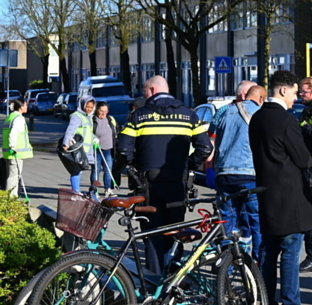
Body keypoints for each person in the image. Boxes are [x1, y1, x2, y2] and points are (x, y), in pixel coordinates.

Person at [117, 76, 212, 273]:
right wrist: (186, 167)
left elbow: (123, 149)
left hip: (148, 186)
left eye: (144, 91)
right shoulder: (189, 115)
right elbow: (205, 148)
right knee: (176, 231)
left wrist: (136, 165)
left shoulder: (139, 116)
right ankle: (174, 280)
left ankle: (153, 282)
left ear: (151, 90)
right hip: (178, 182)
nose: (143, 95)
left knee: (152, 233)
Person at [249, 70, 312, 305]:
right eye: (295, 93)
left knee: (267, 250)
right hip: (290, 197)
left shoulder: (257, 118)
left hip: (266, 192)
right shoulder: (286, 121)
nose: (296, 99)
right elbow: (302, 159)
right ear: (283, 90)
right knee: (290, 251)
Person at [214, 85, 266, 261]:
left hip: (224, 173)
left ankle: (226, 267)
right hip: (249, 173)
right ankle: (258, 265)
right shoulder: (259, 113)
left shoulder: (225, 112)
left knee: (226, 221)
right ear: (260, 98)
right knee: (256, 221)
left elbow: (215, 139)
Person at [297, 77, 312, 272]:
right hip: (309, 164)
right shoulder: (307, 109)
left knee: (311, 212)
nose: (301, 95)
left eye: (305, 92)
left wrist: (302, 128)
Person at [62, 96, 97, 197]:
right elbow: (71, 130)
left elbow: (88, 132)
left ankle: (76, 192)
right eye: (87, 106)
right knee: (76, 170)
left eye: (91, 107)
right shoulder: (77, 116)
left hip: (86, 149)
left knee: (79, 171)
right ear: (82, 105)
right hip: (78, 148)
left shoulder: (88, 117)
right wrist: (66, 143)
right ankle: (75, 192)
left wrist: (94, 138)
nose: (89, 109)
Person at [2, 99, 33, 197]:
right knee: (14, 177)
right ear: (21, 107)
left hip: (8, 152)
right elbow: (13, 133)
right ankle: (11, 200)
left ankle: (10, 198)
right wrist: (13, 146)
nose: (27, 107)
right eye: (25, 105)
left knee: (11, 175)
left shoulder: (9, 117)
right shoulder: (19, 118)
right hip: (15, 152)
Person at [92, 102, 119, 199]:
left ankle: (108, 189)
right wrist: (93, 139)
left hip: (109, 149)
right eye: (101, 111)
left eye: (105, 111)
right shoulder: (93, 120)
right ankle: (94, 190)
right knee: (96, 171)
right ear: (96, 110)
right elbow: (88, 134)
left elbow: (116, 132)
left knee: (108, 171)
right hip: (97, 150)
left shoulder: (111, 120)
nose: (103, 114)